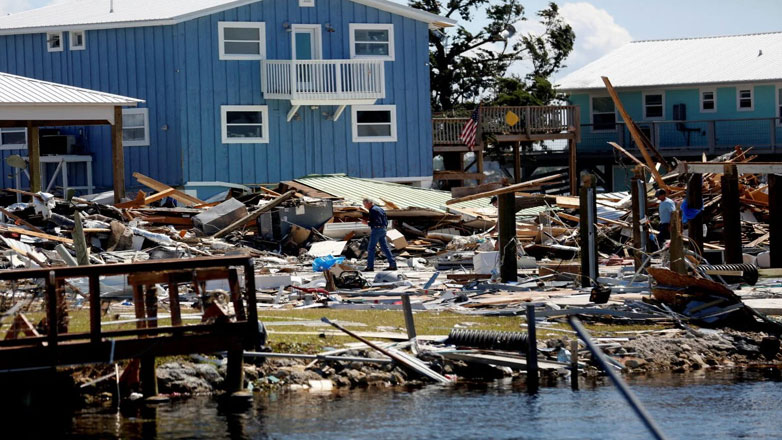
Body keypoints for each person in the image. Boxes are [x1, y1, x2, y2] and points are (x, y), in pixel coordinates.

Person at [362, 198, 397, 272]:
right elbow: (384, 220)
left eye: (365, 204)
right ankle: (393, 264)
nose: (364, 206)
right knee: (385, 248)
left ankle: (370, 267)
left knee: (371, 248)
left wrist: (367, 223)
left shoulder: (373, 210)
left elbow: (377, 222)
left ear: (369, 203)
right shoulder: (380, 209)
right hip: (383, 229)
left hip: (377, 230)